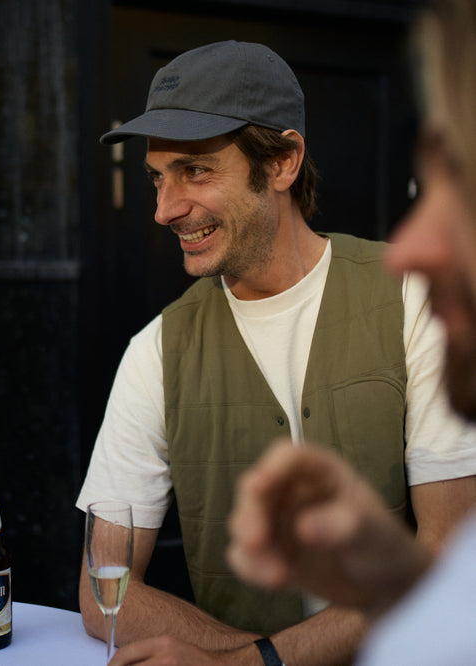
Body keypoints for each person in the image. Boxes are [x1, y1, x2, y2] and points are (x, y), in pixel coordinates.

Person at [76, 38, 476, 665]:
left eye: (195, 170)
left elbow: (450, 560)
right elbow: (105, 592)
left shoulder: (413, 299)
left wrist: (249, 664)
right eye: (157, 176)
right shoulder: (155, 351)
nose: (164, 209)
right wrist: (259, 658)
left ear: (284, 162)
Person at [227, 1, 476, 664]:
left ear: (284, 164)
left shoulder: (400, 302)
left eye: (464, 181)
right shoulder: (161, 344)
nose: (407, 249)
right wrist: (393, 572)